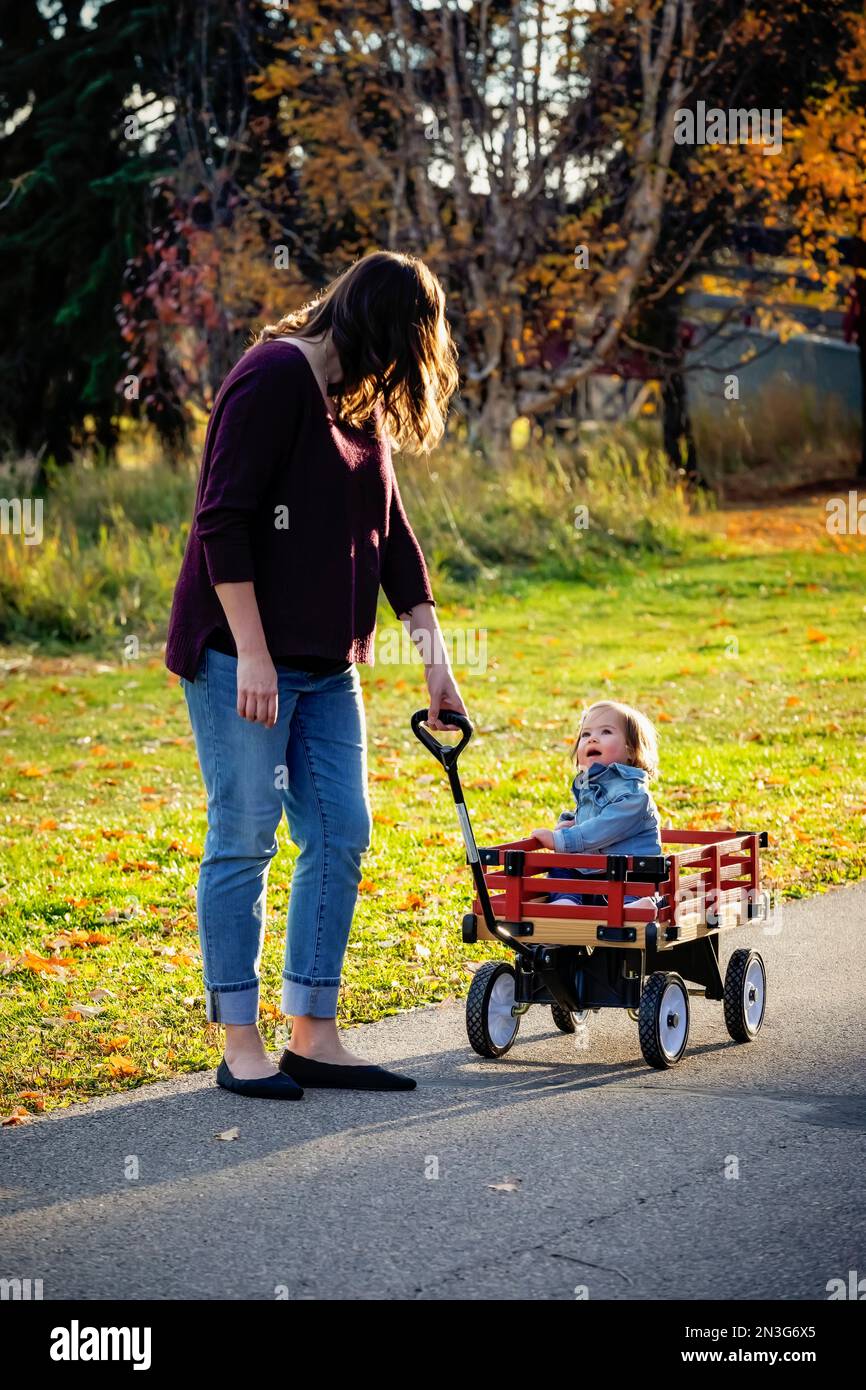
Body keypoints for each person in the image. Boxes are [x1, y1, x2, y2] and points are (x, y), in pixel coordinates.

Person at [165, 251, 467, 1098]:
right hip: (240, 658)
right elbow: (220, 522)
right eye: (411, 348)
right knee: (245, 836)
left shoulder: (357, 403)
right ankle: (239, 1042)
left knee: (341, 834)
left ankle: (314, 1032)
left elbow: (393, 538)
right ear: (380, 329)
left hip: (328, 667)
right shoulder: (272, 378)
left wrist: (436, 664)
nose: (407, 371)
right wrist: (252, 651)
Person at [531, 700, 662, 914]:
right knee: (561, 865)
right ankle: (567, 903)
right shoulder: (591, 786)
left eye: (606, 732)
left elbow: (605, 826)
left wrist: (562, 840)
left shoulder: (635, 796)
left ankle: (634, 906)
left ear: (631, 750)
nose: (592, 738)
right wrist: (573, 821)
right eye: (585, 734)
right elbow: (593, 818)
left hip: (630, 871)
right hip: (594, 871)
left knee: (631, 877)